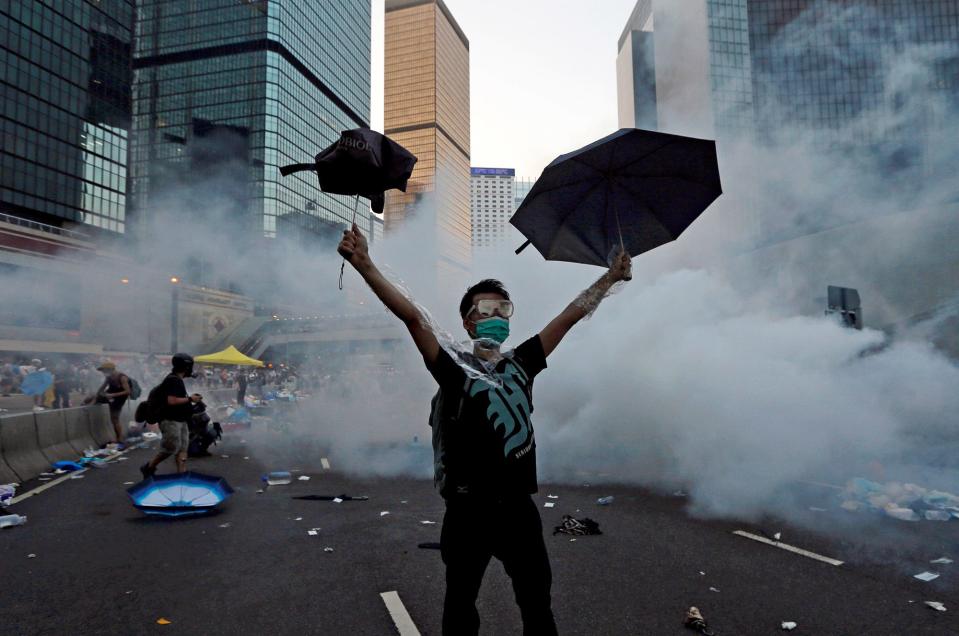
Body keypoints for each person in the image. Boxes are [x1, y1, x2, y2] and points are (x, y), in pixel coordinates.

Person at [338, 223, 631, 635]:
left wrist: (609, 278)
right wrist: (365, 265)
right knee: (459, 607)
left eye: (504, 310)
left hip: (518, 509)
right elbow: (413, 317)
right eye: (486, 310)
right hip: (466, 511)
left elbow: (569, 317)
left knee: (537, 606)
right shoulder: (453, 369)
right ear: (468, 321)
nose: (496, 318)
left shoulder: (521, 364)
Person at [140, 353, 200, 477]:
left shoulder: (177, 380)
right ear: (186, 366)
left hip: (181, 420)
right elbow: (171, 401)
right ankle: (149, 467)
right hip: (170, 420)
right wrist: (191, 399)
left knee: (183, 448)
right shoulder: (173, 380)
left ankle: (181, 476)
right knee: (170, 448)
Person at [87, 361, 131, 444]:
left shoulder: (122, 377)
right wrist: (96, 398)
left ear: (110, 369)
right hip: (110, 396)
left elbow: (127, 391)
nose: (103, 373)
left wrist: (114, 394)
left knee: (114, 418)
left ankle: (120, 438)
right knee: (90, 397)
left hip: (119, 399)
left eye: (104, 370)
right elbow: (102, 388)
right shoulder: (109, 377)